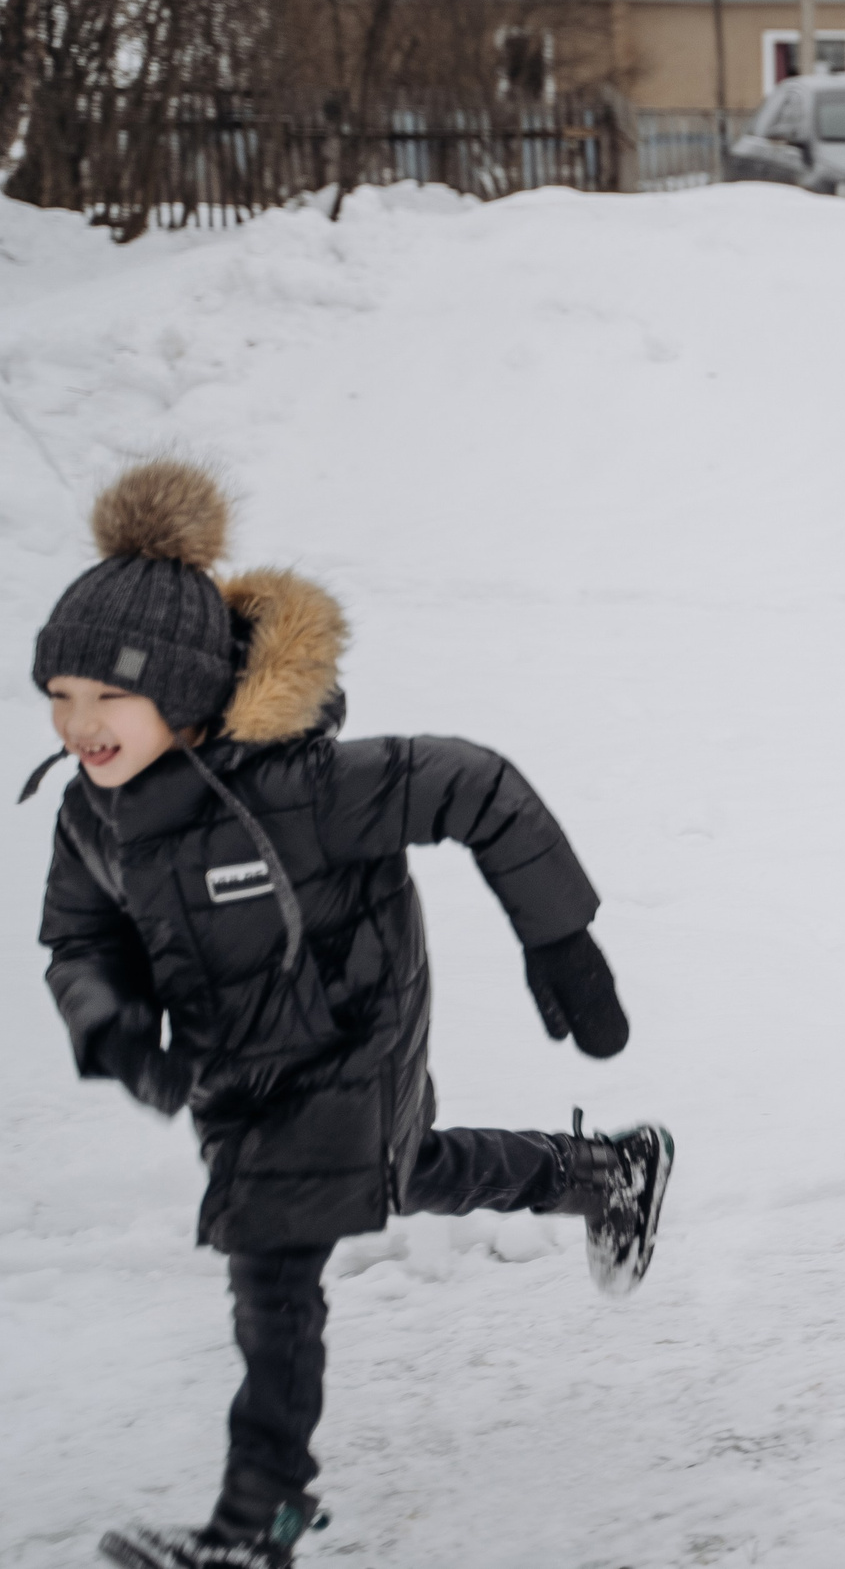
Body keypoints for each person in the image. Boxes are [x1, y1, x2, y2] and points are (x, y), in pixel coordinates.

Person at [23, 462, 672, 1569]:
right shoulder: (93, 817)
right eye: (62, 696)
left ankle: (256, 1521)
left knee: (269, 1264)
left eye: (109, 699)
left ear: (181, 692)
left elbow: (477, 784)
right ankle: (606, 1172)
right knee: (403, 1172)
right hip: (237, 1067)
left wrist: (558, 937)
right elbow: (79, 940)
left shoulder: (299, 782)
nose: (80, 725)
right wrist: (113, 1024)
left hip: (351, 1038)